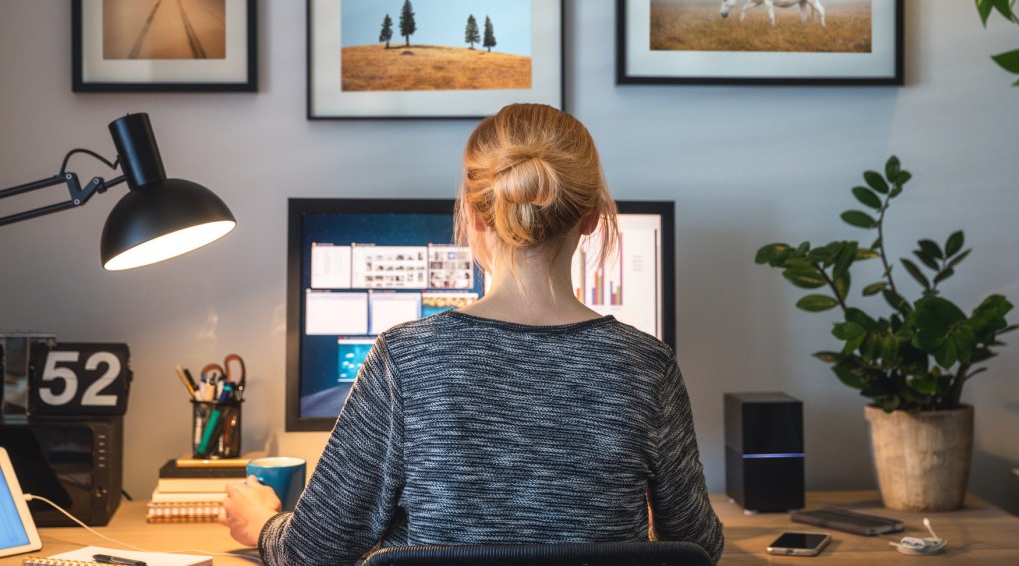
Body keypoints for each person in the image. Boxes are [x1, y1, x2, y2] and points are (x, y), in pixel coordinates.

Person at [219, 103, 725, 564]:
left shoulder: (405, 359)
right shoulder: (648, 365)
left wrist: (262, 523)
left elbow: (314, 553)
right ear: (592, 216)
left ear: (475, 214)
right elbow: (698, 546)